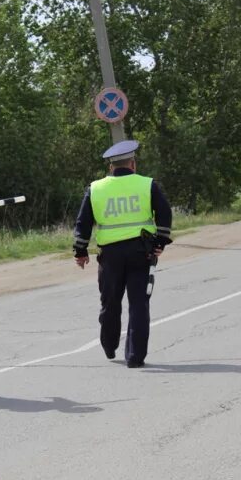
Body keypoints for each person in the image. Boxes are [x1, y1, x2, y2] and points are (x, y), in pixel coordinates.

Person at [73, 139, 172, 368]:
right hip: (141, 252)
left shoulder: (95, 188)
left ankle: (109, 345)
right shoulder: (148, 185)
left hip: (110, 256)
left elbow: (83, 223)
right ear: (133, 164)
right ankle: (135, 357)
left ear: (111, 167)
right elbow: (165, 215)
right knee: (139, 304)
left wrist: (80, 251)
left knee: (110, 302)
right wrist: (160, 243)